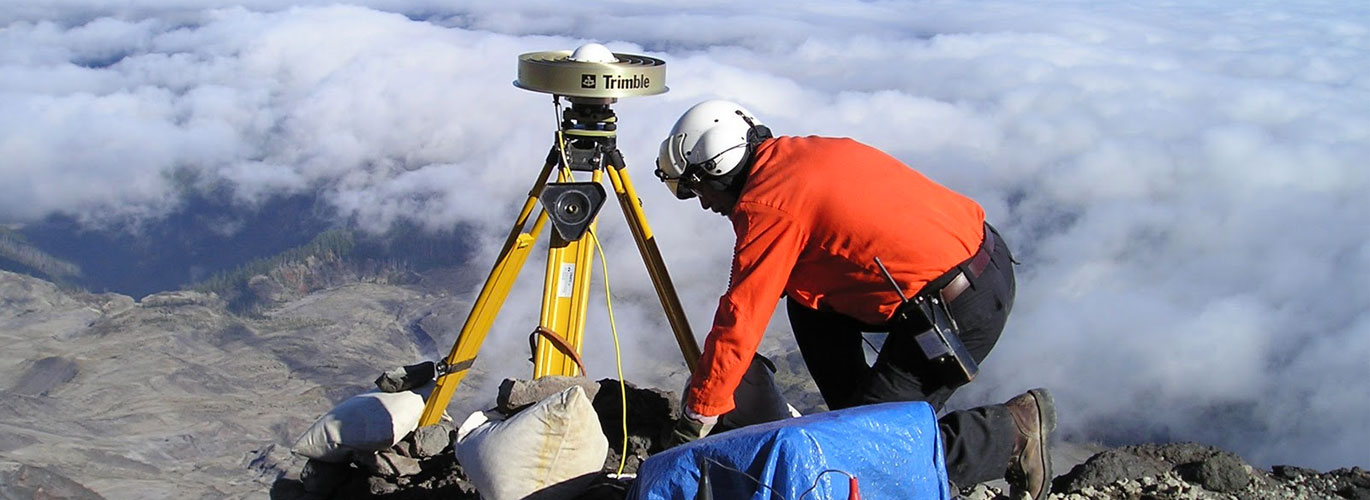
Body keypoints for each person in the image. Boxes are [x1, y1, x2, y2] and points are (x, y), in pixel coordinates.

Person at [653, 100, 1056, 499]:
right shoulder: (798, 157)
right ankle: (859, 421)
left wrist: (696, 418)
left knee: (862, 453)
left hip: (955, 309)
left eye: (697, 188)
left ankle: (1008, 435)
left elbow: (741, 317)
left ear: (718, 166)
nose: (704, 202)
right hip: (976, 266)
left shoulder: (769, 204)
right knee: (806, 307)